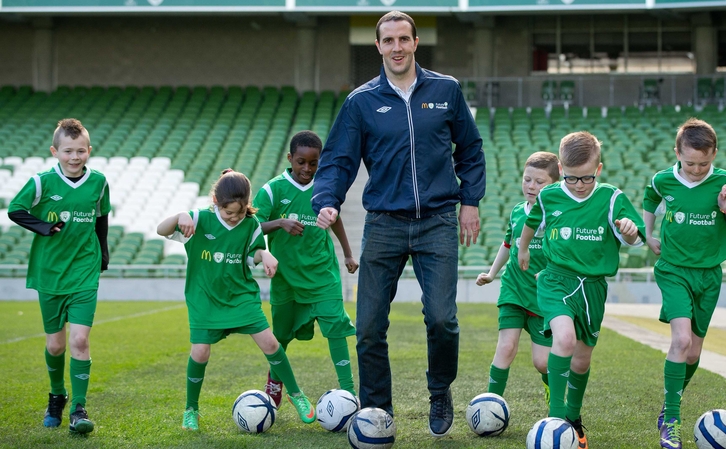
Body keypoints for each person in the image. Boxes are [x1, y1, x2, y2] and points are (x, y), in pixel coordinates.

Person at [311, 10, 485, 437]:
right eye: (388, 41)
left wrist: (470, 201)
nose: (396, 47)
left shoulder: (446, 90)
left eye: (403, 39)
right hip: (384, 223)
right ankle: (376, 412)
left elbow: (471, 148)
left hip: (439, 221)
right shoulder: (361, 101)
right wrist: (327, 200)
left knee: (442, 319)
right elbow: (337, 160)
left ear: (415, 42)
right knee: (369, 325)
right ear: (378, 46)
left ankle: (439, 391)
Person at [156, 169, 316, 431]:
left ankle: (296, 394)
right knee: (200, 351)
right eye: (229, 213)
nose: (234, 218)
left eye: (240, 213)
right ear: (216, 202)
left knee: (270, 343)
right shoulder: (199, 218)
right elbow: (161, 230)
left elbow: (249, 255)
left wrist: (263, 255)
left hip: (240, 294)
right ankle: (191, 410)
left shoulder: (250, 224)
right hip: (205, 298)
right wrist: (179, 216)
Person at [518, 131, 645, 449]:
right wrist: (522, 248)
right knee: (564, 339)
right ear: (561, 169)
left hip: (593, 290)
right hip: (556, 280)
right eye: (572, 178)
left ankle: (573, 417)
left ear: (598, 169)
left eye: (587, 178)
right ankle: (556, 420)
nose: (579, 185)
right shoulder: (549, 197)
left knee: (581, 361)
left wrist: (629, 231)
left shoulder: (611, 198)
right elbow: (531, 221)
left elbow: (636, 237)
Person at [642, 118, 726, 449]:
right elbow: (649, 199)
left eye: (704, 163)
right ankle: (671, 422)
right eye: (690, 162)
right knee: (681, 341)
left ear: (714, 154)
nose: (696, 169)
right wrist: (649, 233)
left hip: (709, 274)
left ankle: (668, 406)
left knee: (693, 353)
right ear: (677, 152)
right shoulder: (664, 180)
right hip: (673, 269)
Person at [8, 118, 110, 435]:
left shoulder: (100, 182)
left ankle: (79, 409)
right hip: (50, 273)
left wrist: (103, 253)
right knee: (55, 346)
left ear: (89, 151)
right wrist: (43, 227)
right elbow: (15, 209)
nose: (75, 157)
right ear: (56, 151)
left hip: (84, 269)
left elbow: (101, 217)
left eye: (81, 150)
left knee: (80, 340)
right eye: (68, 151)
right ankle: (57, 396)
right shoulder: (41, 182)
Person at [253, 131, 359, 407]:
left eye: (313, 163)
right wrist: (279, 223)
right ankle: (274, 382)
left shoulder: (324, 188)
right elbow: (251, 229)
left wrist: (348, 254)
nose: (307, 169)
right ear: (290, 159)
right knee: (282, 336)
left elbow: (334, 220)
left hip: (322, 274)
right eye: (301, 162)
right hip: (286, 278)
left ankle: (349, 395)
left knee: (336, 327)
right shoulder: (272, 190)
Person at [475, 152, 559, 402]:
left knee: (542, 362)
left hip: (544, 295)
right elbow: (508, 244)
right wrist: (492, 274)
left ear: (555, 183)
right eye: (527, 180)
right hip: (513, 289)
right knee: (506, 347)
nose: (531, 186)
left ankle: (551, 390)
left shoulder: (559, 214)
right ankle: (490, 404)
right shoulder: (516, 212)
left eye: (540, 182)